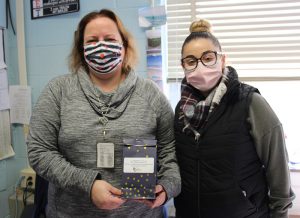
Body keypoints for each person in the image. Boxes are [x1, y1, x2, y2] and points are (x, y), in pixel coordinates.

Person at [27, 9, 181, 218]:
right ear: (81, 49)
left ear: (124, 46)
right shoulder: (58, 91)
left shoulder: (151, 94)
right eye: (92, 41)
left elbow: (170, 152)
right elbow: (39, 151)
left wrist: (167, 186)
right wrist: (87, 183)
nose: (101, 46)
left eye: (109, 39)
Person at [173, 19, 295, 218]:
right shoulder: (181, 109)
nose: (200, 66)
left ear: (222, 60)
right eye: (191, 61)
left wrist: (280, 213)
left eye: (208, 57)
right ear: (183, 65)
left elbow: (278, 165)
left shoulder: (250, 102)